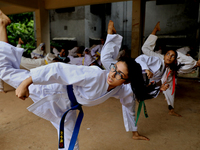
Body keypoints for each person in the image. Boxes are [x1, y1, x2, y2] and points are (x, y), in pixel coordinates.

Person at [0, 12, 169, 149]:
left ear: (126, 81)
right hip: (51, 89)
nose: (112, 74)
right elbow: (58, 69)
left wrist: (157, 88)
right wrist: (26, 82)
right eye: (114, 68)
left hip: (68, 108)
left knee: (70, 144)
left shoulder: (120, 89)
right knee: (4, 70)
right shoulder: (96, 75)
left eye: (119, 74)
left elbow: (131, 102)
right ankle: (2, 25)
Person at [142, 21, 200, 117]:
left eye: (171, 55)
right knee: (145, 49)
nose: (169, 56)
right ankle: (155, 30)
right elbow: (177, 56)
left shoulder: (191, 63)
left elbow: (181, 68)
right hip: (162, 64)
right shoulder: (188, 60)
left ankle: (171, 109)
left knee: (170, 90)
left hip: (169, 70)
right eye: (168, 54)